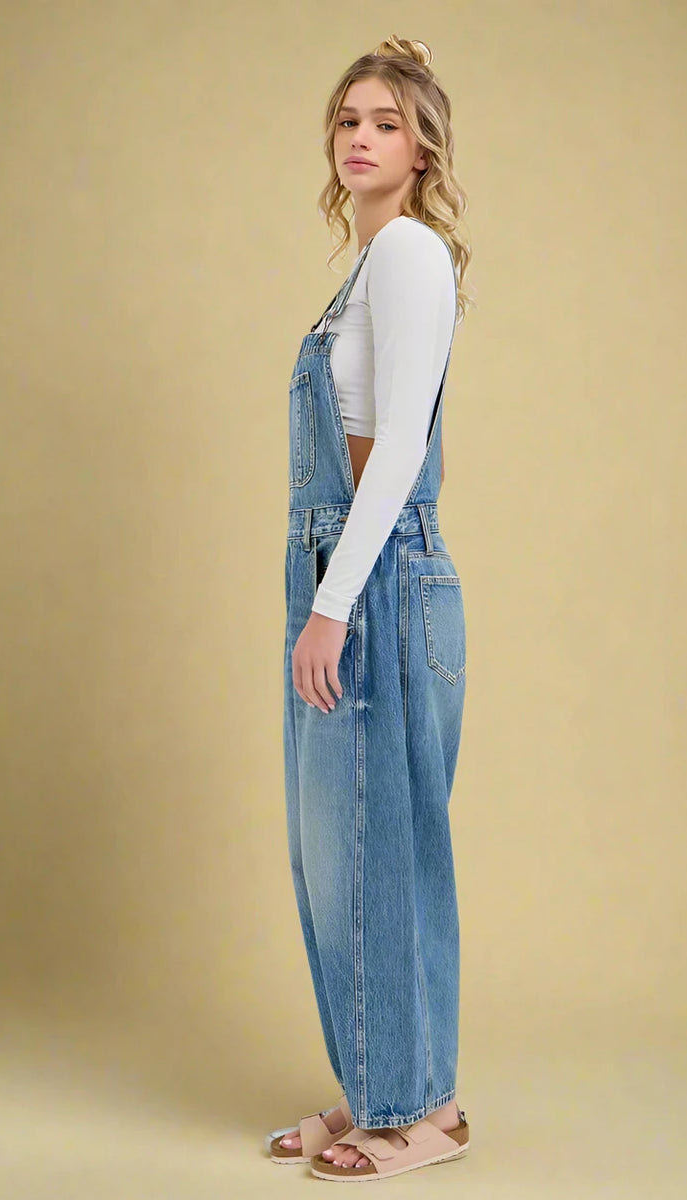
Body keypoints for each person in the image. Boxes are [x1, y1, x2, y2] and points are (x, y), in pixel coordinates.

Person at [269, 34, 474, 1182]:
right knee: (339, 852)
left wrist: (332, 605)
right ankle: (385, 1088)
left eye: (385, 122)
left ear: (421, 145)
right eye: (347, 119)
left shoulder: (405, 251)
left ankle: (417, 1116)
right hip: (346, 573)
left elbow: (396, 446)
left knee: (373, 848)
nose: (359, 138)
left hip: (377, 576)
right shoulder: (365, 265)